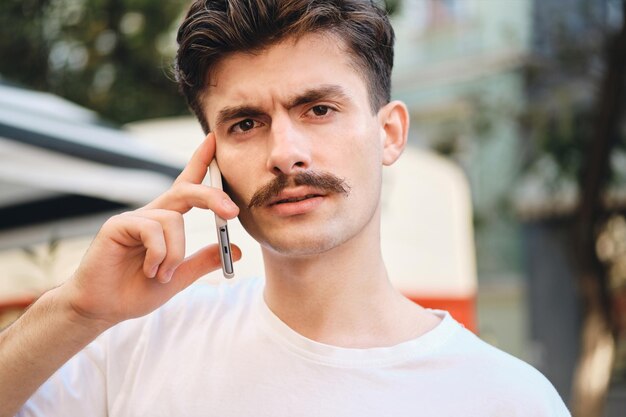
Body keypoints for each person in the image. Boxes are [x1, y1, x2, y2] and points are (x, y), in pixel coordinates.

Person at [1, 1, 570, 416]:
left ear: (390, 133)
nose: (285, 154)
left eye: (318, 109)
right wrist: (77, 310)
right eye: (245, 123)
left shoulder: (508, 399)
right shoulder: (139, 343)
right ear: (213, 156)